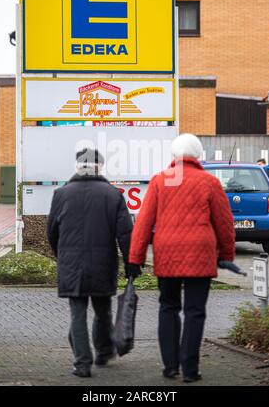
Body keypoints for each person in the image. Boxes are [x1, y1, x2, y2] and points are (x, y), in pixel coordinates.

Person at [127, 133, 236, 382]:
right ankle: (190, 369)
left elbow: (144, 222)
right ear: (197, 155)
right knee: (195, 311)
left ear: (174, 155)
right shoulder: (209, 182)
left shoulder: (159, 181)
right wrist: (226, 254)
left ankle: (170, 366)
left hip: (167, 254)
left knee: (168, 307)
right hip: (200, 254)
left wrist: (136, 257)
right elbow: (224, 222)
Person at [47, 148, 133, 378]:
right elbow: (125, 233)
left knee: (77, 314)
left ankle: (82, 363)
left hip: (71, 264)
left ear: (77, 166)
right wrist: (131, 262)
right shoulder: (112, 194)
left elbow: (51, 232)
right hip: (103, 263)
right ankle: (103, 351)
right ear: (100, 167)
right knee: (103, 311)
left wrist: (62, 255)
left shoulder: (61, 193)